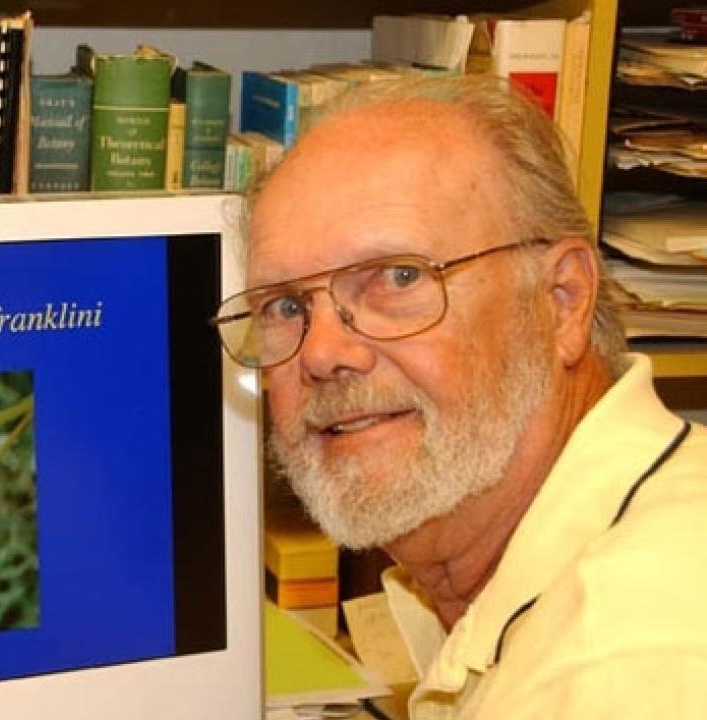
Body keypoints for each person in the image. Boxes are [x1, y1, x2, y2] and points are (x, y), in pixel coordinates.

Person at [213, 76, 707, 719]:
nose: (323, 352)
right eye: (284, 305)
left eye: (399, 276)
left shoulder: (621, 666)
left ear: (562, 301)